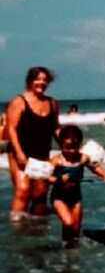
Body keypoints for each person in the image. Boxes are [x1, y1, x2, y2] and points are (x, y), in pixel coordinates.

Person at [5, 67, 61, 220]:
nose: (41, 82)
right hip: (20, 152)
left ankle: (36, 230)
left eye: (45, 79)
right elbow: (11, 129)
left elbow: (56, 128)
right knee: (22, 190)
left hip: (42, 153)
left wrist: (69, 147)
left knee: (40, 194)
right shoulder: (19, 101)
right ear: (30, 81)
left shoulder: (52, 103)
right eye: (38, 79)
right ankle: (17, 229)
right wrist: (20, 154)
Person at [48, 125, 105, 247]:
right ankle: (66, 248)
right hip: (59, 198)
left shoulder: (83, 158)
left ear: (80, 145)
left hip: (76, 198)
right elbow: (45, 177)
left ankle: (70, 254)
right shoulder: (56, 160)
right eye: (67, 147)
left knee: (75, 230)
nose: (72, 151)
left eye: (75, 147)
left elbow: (95, 167)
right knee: (68, 223)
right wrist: (58, 180)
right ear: (60, 144)